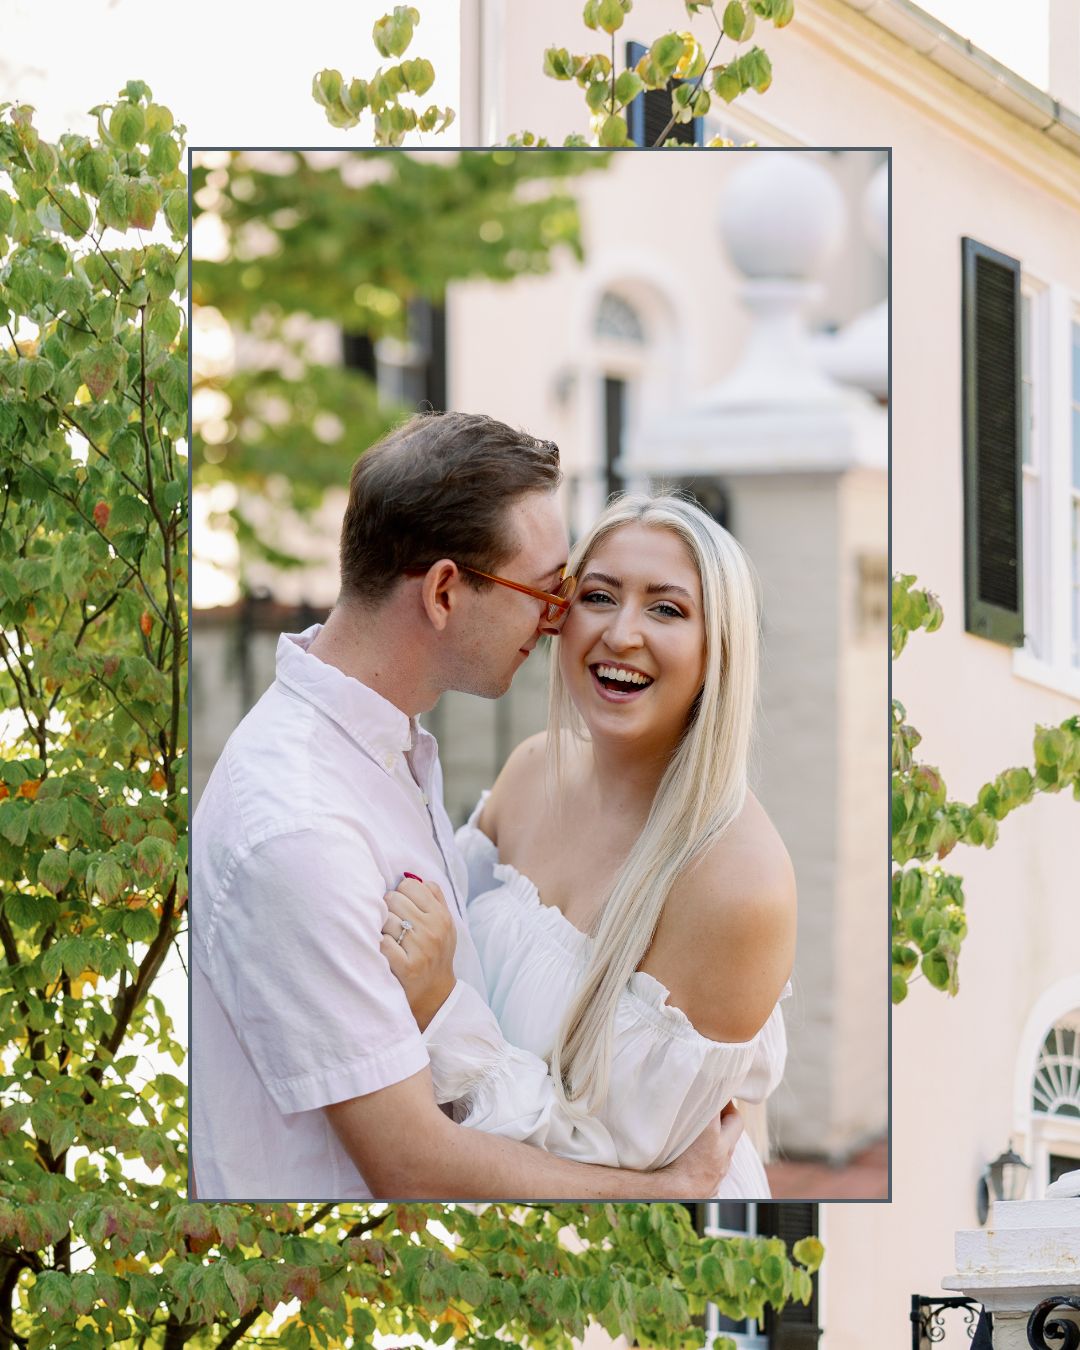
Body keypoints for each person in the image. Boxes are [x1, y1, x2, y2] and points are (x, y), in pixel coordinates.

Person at [191, 411, 742, 1200]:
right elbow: (410, 1162)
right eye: (545, 591)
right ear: (446, 592)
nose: (558, 622)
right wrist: (671, 1191)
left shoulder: (385, 750)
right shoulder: (303, 827)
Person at [381, 493, 796, 1196]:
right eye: (599, 596)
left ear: (717, 648)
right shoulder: (531, 768)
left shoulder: (738, 884)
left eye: (667, 609)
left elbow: (608, 1162)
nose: (622, 634)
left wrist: (442, 1010)